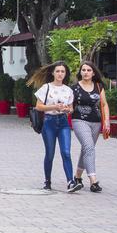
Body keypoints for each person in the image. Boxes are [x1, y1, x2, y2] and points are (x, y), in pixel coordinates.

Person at [28, 61, 81, 192]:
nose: (60, 74)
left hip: (63, 122)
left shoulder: (68, 90)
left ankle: (70, 182)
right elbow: (38, 106)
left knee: (66, 152)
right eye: (57, 71)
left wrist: (67, 110)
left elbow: (71, 108)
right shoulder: (46, 88)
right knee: (50, 153)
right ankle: (47, 180)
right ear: (53, 73)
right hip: (49, 122)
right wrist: (54, 107)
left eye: (63, 72)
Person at [71, 60, 111, 193]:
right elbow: (70, 106)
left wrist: (107, 122)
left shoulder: (99, 86)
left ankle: (77, 177)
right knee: (89, 147)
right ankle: (93, 181)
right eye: (83, 70)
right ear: (80, 72)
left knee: (87, 149)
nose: (86, 72)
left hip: (96, 122)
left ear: (93, 73)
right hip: (79, 120)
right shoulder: (74, 88)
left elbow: (104, 104)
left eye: (88, 70)